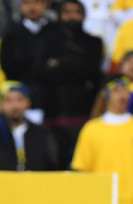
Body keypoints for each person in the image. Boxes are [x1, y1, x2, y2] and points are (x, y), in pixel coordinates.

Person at [41, 0, 104, 163]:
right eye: (67, 12)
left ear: (83, 16)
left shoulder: (94, 43)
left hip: (83, 112)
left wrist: (60, 63)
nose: (72, 16)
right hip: (54, 112)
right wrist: (76, 64)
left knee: (82, 161)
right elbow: (43, 73)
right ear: (60, 15)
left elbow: (91, 71)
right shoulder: (48, 41)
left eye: (77, 12)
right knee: (54, 163)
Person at [0, 82, 57, 171]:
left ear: (28, 103)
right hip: (4, 179)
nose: (14, 106)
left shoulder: (41, 132)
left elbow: (52, 162)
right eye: (8, 101)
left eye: (19, 100)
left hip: (35, 179)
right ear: (1, 105)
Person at [0, 0, 52, 124]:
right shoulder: (12, 32)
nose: (32, 7)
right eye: (27, 3)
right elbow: (5, 64)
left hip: (49, 98)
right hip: (20, 96)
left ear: (45, 5)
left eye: (36, 2)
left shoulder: (54, 31)